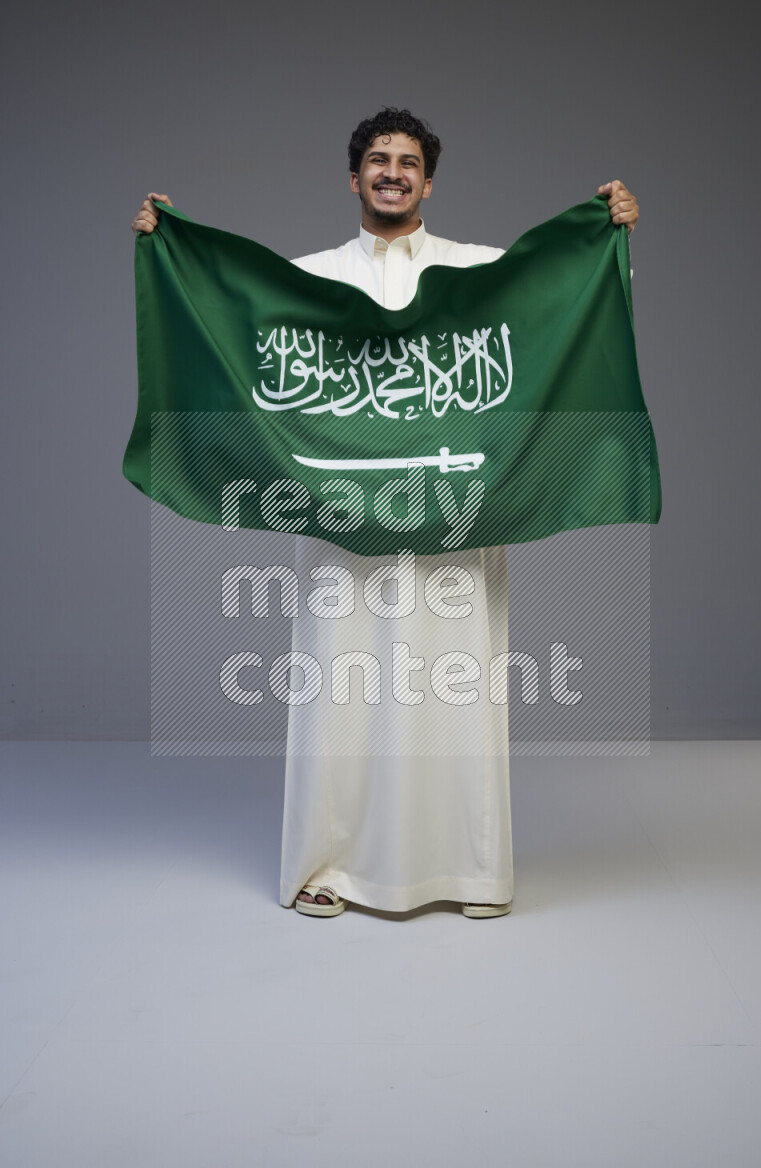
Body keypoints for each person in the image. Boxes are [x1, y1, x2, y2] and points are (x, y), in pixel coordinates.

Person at [131, 107, 640, 920]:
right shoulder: (312, 279)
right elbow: (236, 320)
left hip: (453, 519)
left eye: (407, 160)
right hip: (343, 525)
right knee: (342, 686)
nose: (392, 171)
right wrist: (169, 250)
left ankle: (471, 873)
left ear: (428, 181)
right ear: (356, 176)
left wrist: (607, 238)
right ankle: (326, 868)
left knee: (455, 681)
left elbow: (560, 306)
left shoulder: (477, 272)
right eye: (377, 159)